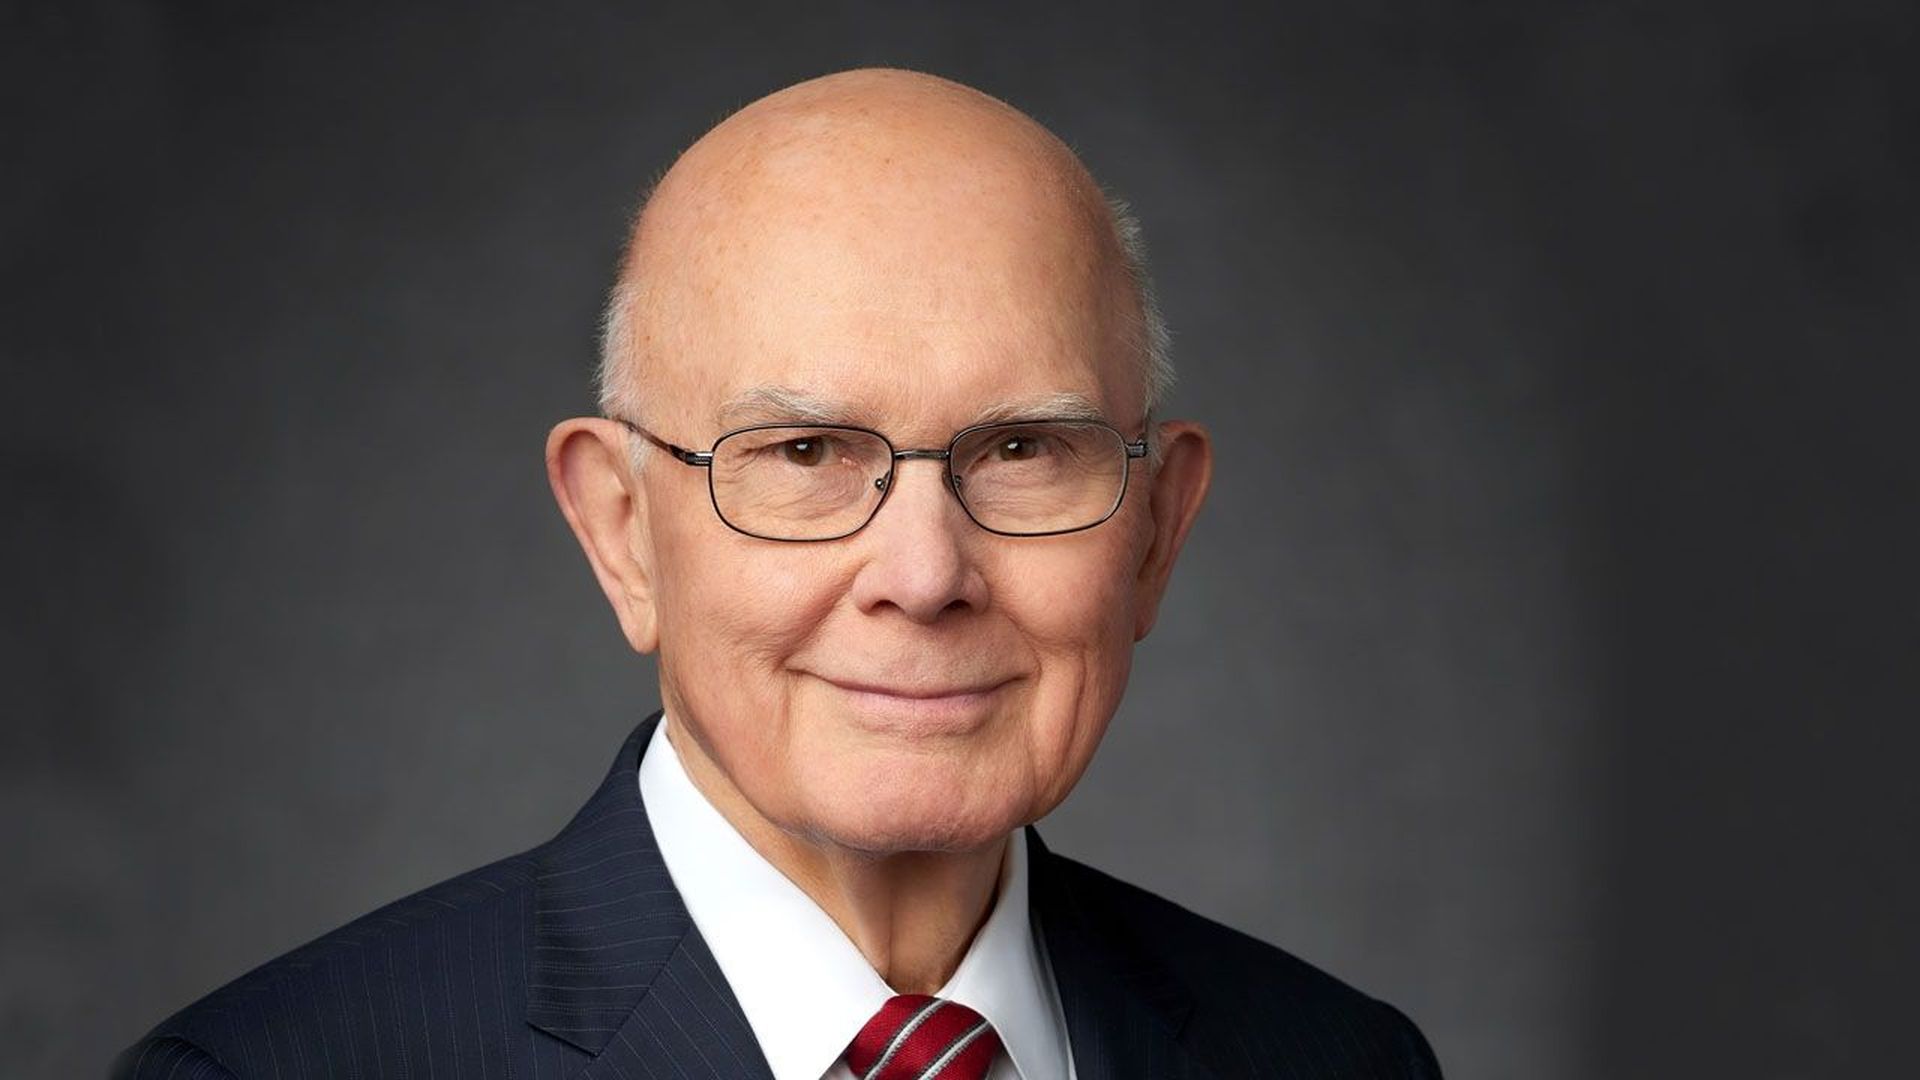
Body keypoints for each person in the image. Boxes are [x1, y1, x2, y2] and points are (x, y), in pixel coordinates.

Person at [116, 68, 1442, 1080]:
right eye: (805, 452)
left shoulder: (1338, 1060)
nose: (924, 574)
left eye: (1024, 449)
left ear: (1154, 533)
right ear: (623, 530)